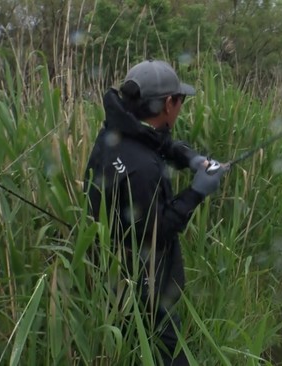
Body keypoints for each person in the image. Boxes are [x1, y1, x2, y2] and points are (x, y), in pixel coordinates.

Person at [83, 59, 228, 365]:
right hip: (145, 280)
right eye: (180, 100)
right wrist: (197, 192)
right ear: (167, 104)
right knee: (168, 351)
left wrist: (189, 158)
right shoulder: (144, 169)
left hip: (110, 272)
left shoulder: (115, 134)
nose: (181, 106)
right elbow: (157, 233)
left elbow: (154, 142)